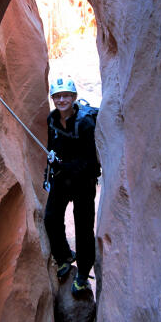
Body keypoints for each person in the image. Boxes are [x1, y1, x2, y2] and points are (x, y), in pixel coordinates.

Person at [44, 77, 100, 297]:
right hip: (62, 178)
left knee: (84, 229)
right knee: (51, 217)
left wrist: (63, 165)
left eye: (66, 95)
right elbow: (51, 146)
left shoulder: (85, 124)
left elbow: (89, 161)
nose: (61, 100)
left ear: (74, 97)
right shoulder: (52, 119)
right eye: (57, 96)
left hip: (83, 183)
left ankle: (83, 275)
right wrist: (51, 167)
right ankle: (65, 257)